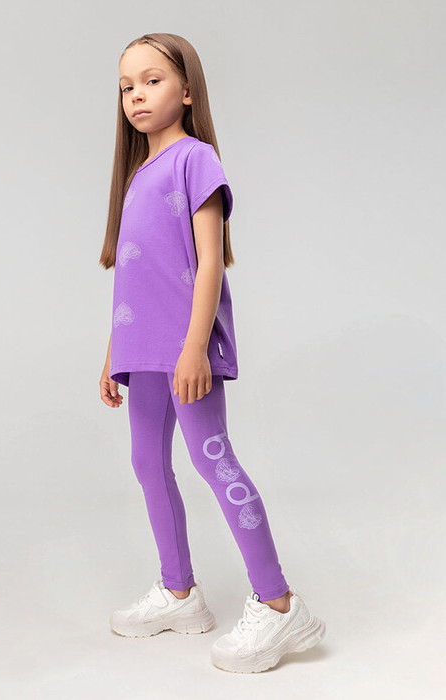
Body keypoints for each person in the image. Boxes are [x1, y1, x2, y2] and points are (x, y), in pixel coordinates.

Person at [98, 32, 326, 674]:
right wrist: (112, 351)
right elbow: (132, 276)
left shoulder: (196, 161)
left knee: (211, 458)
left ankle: (279, 604)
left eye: (152, 80)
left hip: (183, 348)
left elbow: (207, 265)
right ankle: (179, 593)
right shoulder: (136, 176)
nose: (137, 95)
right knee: (147, 462)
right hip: (142, 349)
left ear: (188, 91)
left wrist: (195, 345)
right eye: (126, 86)